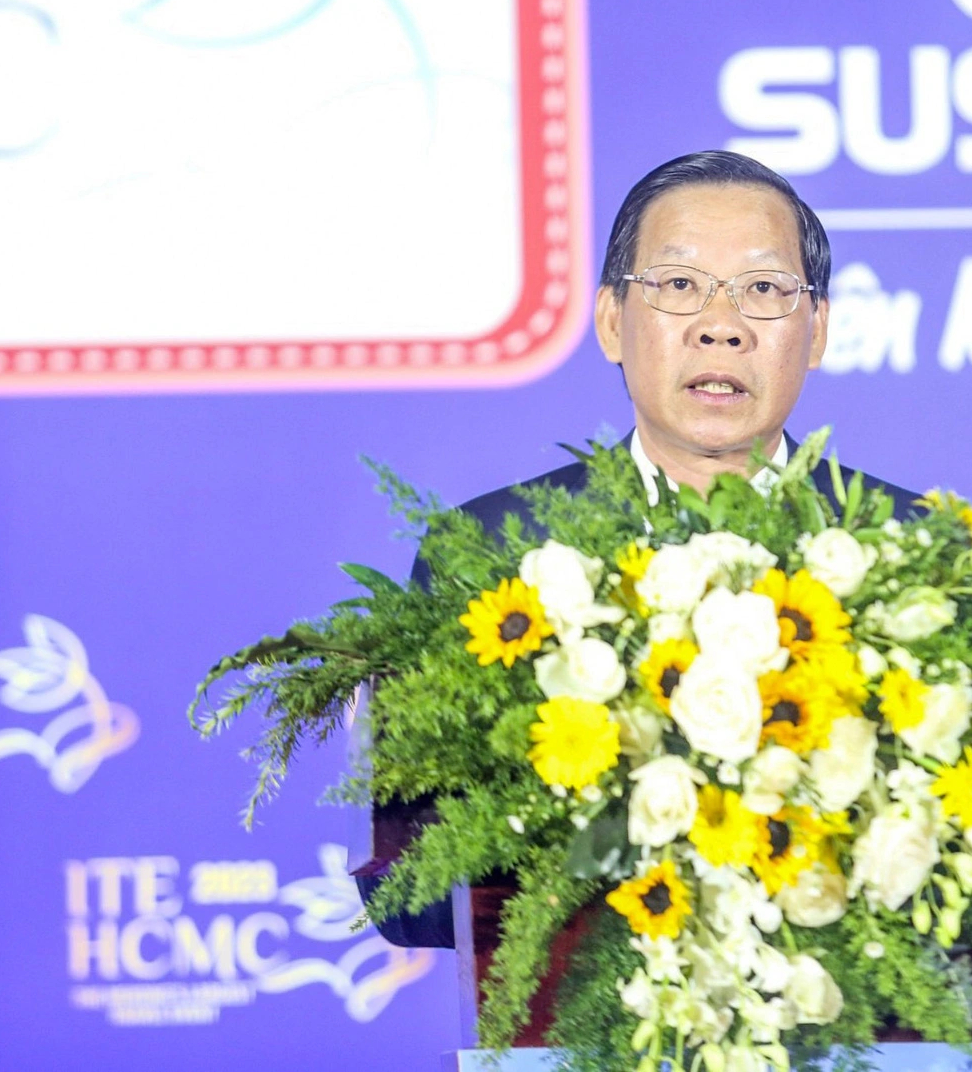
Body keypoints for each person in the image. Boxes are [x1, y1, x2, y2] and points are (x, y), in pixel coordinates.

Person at [357, 150, 922, 948]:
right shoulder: (483, 557)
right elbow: (411, 892)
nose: (720, 324)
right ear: (612, 321)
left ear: (818, 328)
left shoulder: (911, 553)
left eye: (763, 290)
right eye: (679, 285)